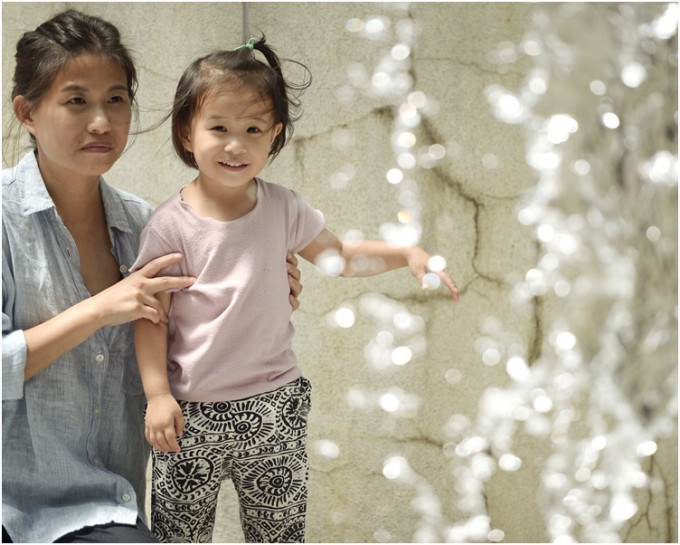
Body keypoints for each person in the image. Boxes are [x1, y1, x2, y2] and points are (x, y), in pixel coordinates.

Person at [133, 36, 460, 543]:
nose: (235, 144)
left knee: (280, 533)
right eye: (218, 128)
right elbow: (150, 315)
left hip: (274, 408)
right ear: (187, 131)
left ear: (275, 134)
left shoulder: (284, 208)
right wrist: (156, 395)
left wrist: (408, 254)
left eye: (253, 129)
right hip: (188, 416)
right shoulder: (169, 226)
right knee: (179, 536)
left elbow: (341, 256)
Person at [2, 11, 304, 543]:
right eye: (77, 101)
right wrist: (102, 307)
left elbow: (190, 341)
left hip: (108, 505)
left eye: (116, 100)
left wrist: (256, 294)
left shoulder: (151, 226)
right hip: (12, 506)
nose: (101, 121)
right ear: (26, 112)